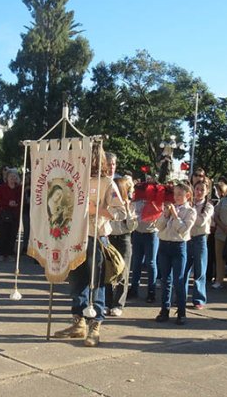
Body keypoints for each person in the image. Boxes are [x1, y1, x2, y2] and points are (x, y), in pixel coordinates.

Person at [53, 146, 125, 346]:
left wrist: (98, 210)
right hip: (75, 237)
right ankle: (78, 322)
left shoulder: (107, 183)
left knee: (96, 283)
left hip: (96, 238)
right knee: (76, 281)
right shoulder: (75, 179)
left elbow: (121, 213)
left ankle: (96, 325)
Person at [155, 181, 197, 324]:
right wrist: (166, 215)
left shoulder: (190, 211)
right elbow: (158, 227)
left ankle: (181, 311)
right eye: (175, 194)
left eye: (180, 194)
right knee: (165, 280)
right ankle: (164, 309)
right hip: (164, 245)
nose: (177, 197)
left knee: (179, 280)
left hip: (178, 246)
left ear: (188, 195)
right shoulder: (168, 208)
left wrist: (175, 215)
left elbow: (183, 230)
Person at [106, 175, 136, 316]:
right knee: (108, 271)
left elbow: (131, 226)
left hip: (124, 238)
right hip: (109, 238)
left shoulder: (130, 204)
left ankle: (118, 304)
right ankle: (106, 302)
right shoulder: (108, 203)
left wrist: (128, 210)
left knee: (123, 272)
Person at [129, 178, 161, 303]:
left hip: (151, 234)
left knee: (151, 263)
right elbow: (134, 213)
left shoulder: (157, 202)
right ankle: (134, 288)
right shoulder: (138, 200)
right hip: (138, 232)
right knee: (136, 262)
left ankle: (151, 291)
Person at [185, 179, 214, 309]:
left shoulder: (208, 206)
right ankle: (180, 296)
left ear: (207, 191)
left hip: (200, 239)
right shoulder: (188, 204)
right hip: (187, 238)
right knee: (183, 270)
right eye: (197, 189)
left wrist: (190, 212)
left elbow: (201, 221)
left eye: (202, 190)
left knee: (200, 270)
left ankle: (199, 299)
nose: (199, 192)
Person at [0, 168, 22, 261]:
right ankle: (1, 253)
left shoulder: (19, 188)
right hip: (3, 213)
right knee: (2, 234)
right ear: (7, 178)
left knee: (12, 234)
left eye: (15, 176)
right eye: (11, 176)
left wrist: (16, 203)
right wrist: (7, 203)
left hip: (15, 214)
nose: (13, 178)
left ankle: (9, 253)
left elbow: (22, 199)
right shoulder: (2, 187)